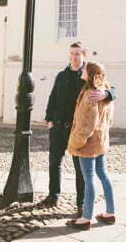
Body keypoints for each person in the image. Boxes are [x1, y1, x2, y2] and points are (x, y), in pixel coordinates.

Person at [41, 42, 116, 214]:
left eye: (77, 54)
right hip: (58, 128)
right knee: (54, 162)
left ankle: (81, 203)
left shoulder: (88, 75)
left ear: (84, 56)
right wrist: (49, 118)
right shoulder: (61, 75)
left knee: (80, 168)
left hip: (76, 130)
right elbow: (53, 97)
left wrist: (106, 94)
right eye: (72, 53)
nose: (74, 57)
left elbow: (111, 89)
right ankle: (53, 195)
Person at [66, 61, 116, 230]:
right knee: (103, 175)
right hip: (101, 141)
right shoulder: (104, 91)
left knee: (89, 179)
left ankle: (85, 218)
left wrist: (74, 142)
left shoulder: (90, 95)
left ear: (91, 74)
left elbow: (86, 126)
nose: (82, 70)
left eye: (85, 69)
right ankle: (110, 212)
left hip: (88, 144)